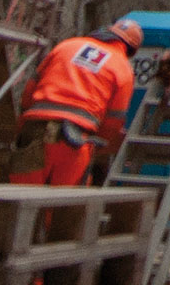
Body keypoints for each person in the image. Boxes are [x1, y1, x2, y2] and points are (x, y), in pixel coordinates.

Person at [16, 14, 145, 185]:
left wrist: (23, 124)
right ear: (131, 50)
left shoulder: (67, 45)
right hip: (74, 139)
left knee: (20, 194)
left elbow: (29, 90)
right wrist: (99, 146)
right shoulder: (123, 68)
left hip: (34, 129)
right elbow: (113, 121)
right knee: (60, 198)